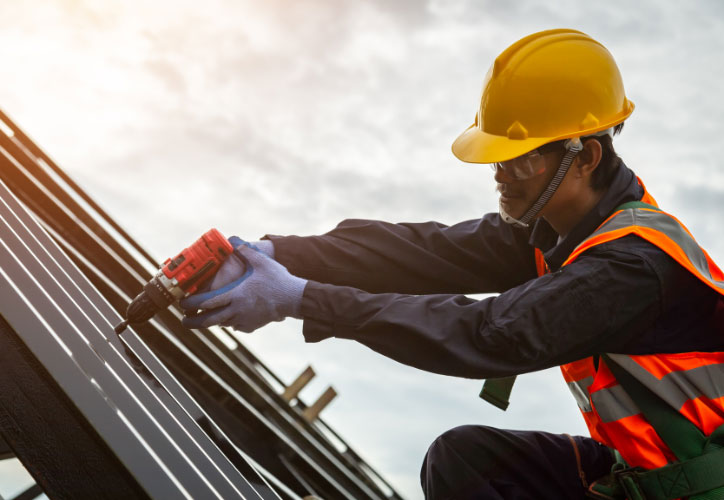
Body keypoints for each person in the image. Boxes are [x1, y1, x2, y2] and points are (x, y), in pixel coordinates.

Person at [180, 29, 724, 499]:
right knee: (465, 460)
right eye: (498, 157)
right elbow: (425, 253)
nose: (501, 174)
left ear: (584, 157)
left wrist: (298, 298)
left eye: (521, 158)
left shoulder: (633, 265)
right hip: (657, 477)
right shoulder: (562, 234)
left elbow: (489, 335)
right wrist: (277, 255)